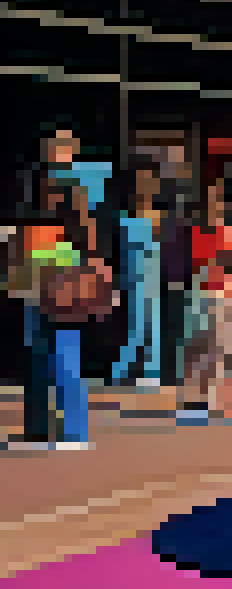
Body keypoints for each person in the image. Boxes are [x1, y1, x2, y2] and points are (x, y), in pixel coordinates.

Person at [8, 129, 105, 449]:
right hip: (35, 273)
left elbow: (87, 232)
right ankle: (37, 429)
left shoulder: (74, 188)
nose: (54, 151)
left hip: (63, 275)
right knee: (36, 355)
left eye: (62, 146)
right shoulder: (34, 182)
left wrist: (91, 267)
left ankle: (75, 432)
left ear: (72, 150)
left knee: (64, 354)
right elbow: (22, 226)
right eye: (51, 145)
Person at [178, 178, 232, 423]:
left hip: (221, 293)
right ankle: (194, 398)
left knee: (218, 350)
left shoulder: (226, 231)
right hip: (201, 294)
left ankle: (209, 398)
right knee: (197, 349)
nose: (216, 205)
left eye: (219, 200)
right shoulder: (196, 231)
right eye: (212, 200)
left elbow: (229, 265)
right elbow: (198, 263)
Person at [110, 161, 169, 389]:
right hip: (134, 279)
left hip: (151, 278)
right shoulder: (125, 217)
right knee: (135, 331)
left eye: (149, 181)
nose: (145, 186)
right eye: (141, 181)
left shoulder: (158, 216)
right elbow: (125, 254)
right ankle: (120, 373)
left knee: (152, 329)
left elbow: (160, 250)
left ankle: (151, 374)